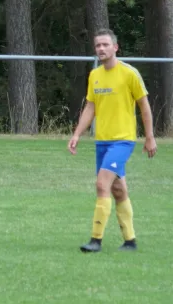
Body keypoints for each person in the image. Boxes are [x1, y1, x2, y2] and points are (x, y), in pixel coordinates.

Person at [68, 29, 157, 253]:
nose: (101, 49)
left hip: (122, 141)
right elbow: (91, 107)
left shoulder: (129, 73)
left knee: (101, 185)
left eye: (105, 45)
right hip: (102, 142)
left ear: (115, 47)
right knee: (118, 191)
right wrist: (77, 134)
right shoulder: (95, 75)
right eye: (98, 45)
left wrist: (149, 137)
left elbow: (144, 106)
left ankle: (95, 240)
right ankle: (130, 241)